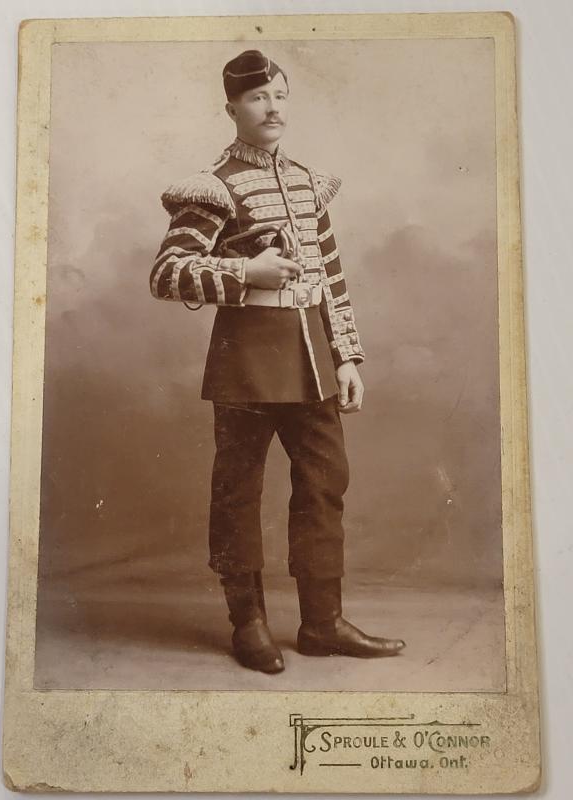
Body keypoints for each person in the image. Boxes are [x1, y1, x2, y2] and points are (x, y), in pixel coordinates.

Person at [149, 50, 405, 673]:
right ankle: (248, 625)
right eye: (259, 97)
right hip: (245, 363)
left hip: (315, 357)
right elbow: (166, 273)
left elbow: (332, 279)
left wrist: (347, 356)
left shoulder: (307, 182)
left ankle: (322, 623)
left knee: (324, 488)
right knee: (238, 495)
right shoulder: (215, 185)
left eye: (281, 95)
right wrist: (248, 271)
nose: (273, 108)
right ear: (232, 107)